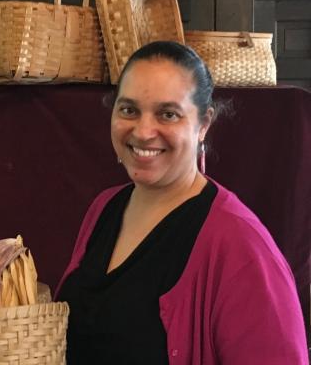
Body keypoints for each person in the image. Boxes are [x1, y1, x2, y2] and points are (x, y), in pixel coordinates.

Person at [55, 41, 308, 364]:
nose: (144, 131)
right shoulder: (104, 208)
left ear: (203, 125)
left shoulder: (240, 244)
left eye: (168, 114)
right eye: (129, 109)